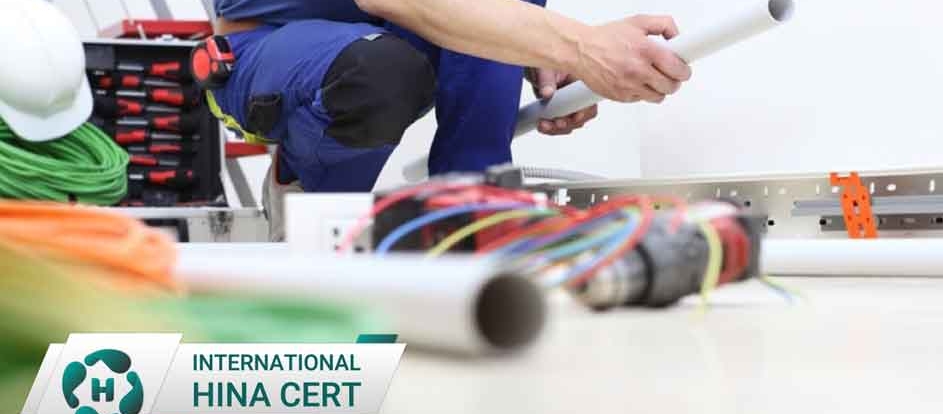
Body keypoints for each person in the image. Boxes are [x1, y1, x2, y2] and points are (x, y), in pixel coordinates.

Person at [208, 0, 692, 240]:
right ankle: (307, 188)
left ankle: (472, 211)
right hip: (273, 54)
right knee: (377, 73)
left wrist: (543, 54)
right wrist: (579, 47)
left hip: (397, 38)